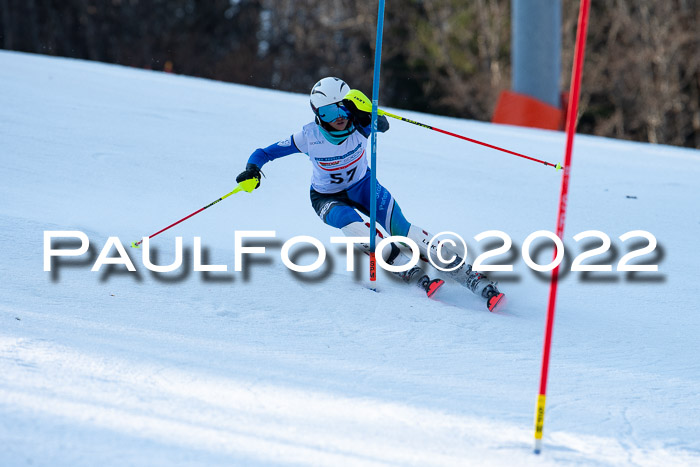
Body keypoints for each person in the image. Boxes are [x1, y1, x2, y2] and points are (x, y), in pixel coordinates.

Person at [236, 77, 505, 311]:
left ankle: (468, 275)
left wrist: (369, 113)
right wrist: (252, 170)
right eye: (329, 113)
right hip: (327, 198)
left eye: (343, 107)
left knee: (405, 231)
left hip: (364, 186)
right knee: (355, 227)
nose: (339, 117)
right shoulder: (309, 136)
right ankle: (404, 268)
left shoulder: (360, 123)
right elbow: (265, 153)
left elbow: (383, 125)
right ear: (318, 115)